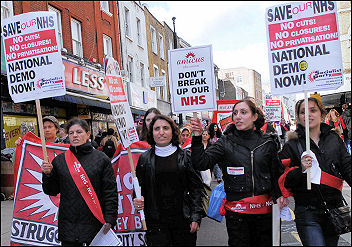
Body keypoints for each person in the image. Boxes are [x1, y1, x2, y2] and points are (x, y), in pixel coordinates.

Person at [190, 98, 288, 246]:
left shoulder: (268, 142)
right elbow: (201, 163)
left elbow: (276, 174)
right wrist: (197, 137)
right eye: (235, 113)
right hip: (237, 215)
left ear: (255, 116)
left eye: (243, 112)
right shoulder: (225, 142)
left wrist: (281, 195)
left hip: (265, 214)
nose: (238, 116)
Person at [279, 98, 351, 246]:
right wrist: (302, 170)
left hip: (334, 210)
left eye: (313, 110)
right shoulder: (291, 145)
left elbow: (347, 167)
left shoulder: (334, 139)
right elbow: (283, 179)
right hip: (307, 212)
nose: (308, 115)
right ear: (298, 117)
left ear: (322, 114)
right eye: (303, 112)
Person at [41, 118, 118, 246]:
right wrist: (48, 174)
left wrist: (110, 218)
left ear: (88, 134)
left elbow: (110, 191)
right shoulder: (60, 161)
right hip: (69, 227)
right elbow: (51, 190)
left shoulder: (101, 159)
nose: (75, 135)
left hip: (94, 224)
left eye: (79, 132)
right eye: (71, 133)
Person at [133, 115, 204, 246]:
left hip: (183, 220)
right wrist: (137, 200)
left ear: (173, 131)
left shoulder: (186, 157)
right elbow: (138, 189)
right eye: (157, 128)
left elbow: (196, 189)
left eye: (165, 128)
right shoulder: (144, 159)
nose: (161, 132)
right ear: (151, 133)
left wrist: (195, 217)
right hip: (156, 223)